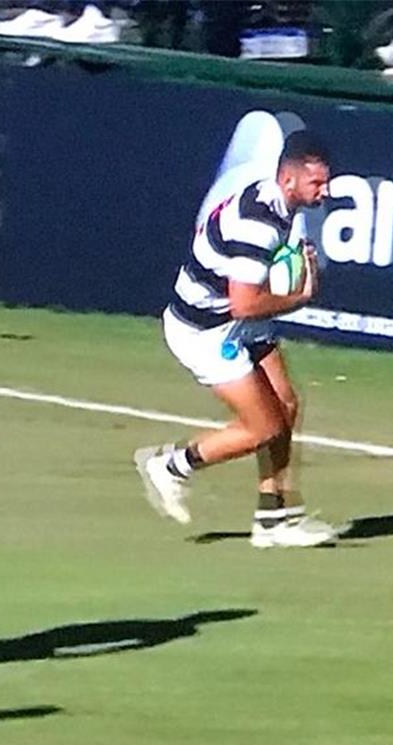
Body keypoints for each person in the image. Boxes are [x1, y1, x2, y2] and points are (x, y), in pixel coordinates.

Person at [135, 131, 338, 549]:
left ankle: (272, 520)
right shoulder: (259, 225)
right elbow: (245, 305)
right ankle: (171, 466)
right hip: (204, 331)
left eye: (326, 181)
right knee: (263, 428)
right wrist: (298, 297)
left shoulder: (276, 202)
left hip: (229, 317)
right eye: (317, 183)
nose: (326, 190)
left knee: (287, 404)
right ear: (289, 180)